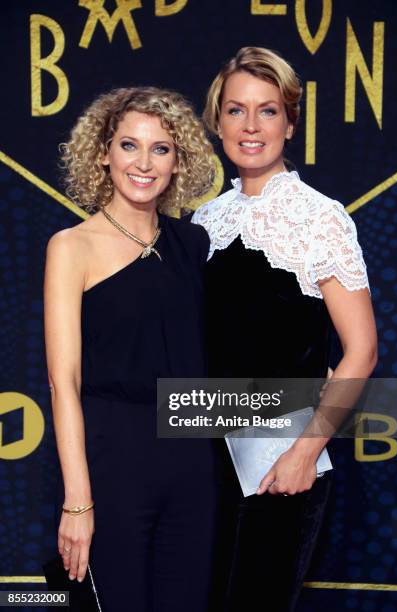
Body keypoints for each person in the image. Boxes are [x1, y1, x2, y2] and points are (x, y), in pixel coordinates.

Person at [192, 47, 378, 612]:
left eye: (267, 111)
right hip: (207, 460)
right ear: (216, 120)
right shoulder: (206, 219)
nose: (251, 127)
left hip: (282, 463)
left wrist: (304, 451)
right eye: (235, 110)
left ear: (290, 122)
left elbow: (362, 351)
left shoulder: (319, 217)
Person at [44, 86, 217, 612]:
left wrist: (316, 395)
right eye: (129, 145)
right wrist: (78, 501)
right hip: (112, 461)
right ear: (103, 152)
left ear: (177, 161)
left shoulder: (192, 244)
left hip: (193, 460)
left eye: (161, 148)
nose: (144, 163)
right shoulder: (71, 246)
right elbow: (63, 381)